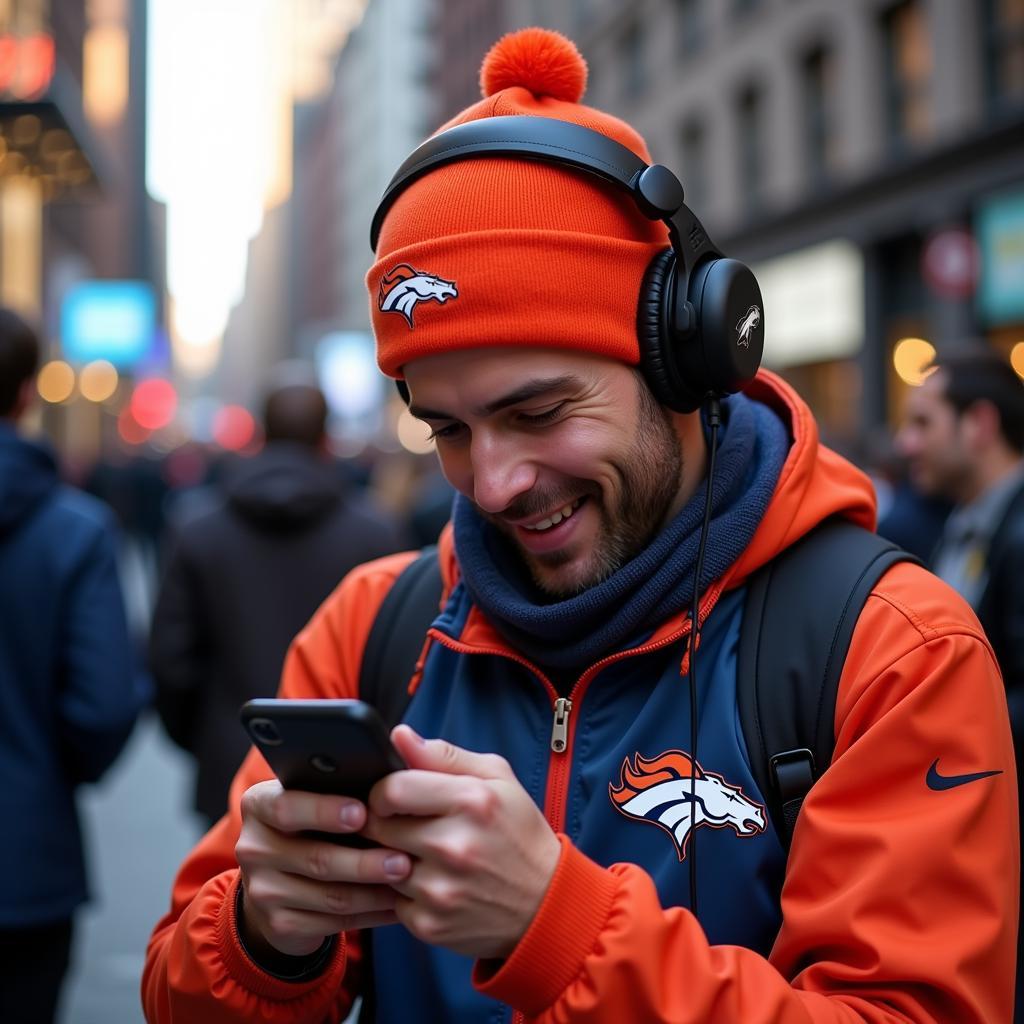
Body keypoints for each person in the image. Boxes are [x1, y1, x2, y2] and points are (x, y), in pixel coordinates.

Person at [143, 29, 1017, 1024]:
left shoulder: (893, 649)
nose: (493, 481)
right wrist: (264, 934)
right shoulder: (371, 625)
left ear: (681, 358)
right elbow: (180, 988)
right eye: (447, 429)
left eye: (538, 411)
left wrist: (556, 930)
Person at [148, 369, 408, 827]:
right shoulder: (376, 532)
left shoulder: (199, 530)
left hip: (230, 764)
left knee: (223, 895)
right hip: (351, 777)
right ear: (327, 439)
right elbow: (402, 658)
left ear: (261, 435)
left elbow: (170, 662)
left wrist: (209, 738)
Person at [0, 307, 142, 1024]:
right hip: (24, 861)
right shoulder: (75, 532)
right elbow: (105, 704)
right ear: (27, 393)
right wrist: (51, 773)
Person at [896, 345, 1024, 1019]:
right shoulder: (960, 526)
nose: (904, 442)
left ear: (977, 425)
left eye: (923, 422)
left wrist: (939, 719)